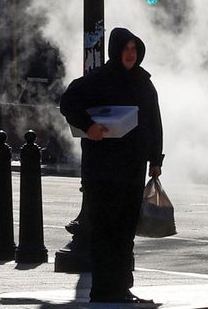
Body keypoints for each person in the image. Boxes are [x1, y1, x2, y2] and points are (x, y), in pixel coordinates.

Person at [60, 27, 163, 304]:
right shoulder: (97, 80)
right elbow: (68, 102)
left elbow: (154, 122)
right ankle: (104, 288)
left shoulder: (143, 83)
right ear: (116, 51)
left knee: (125, 231)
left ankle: (122, 286)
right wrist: (89, 126)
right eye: (126, 49)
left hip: (132, 169)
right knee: (105, 229)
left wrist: (156, 159)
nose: (131, 54)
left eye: (134, 49)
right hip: (102, 170)